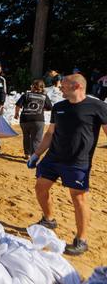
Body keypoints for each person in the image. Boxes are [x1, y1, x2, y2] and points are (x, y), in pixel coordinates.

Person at [28, 74, 107, 256]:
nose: (60, 88)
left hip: (77, 161)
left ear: (77, 86)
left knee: (78, 199)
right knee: (40, 187)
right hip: (53, 158)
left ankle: (82, 240)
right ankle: (49, 219)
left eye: (63, 85)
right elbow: (49, 134)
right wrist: (36, 154)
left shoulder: (97, 106)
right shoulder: (59, 107)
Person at [14, 79, 52, 159]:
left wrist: (16, 114)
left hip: (25, 119)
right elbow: (49, 107)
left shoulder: (26, 95)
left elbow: (18, 105)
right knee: (36, 139)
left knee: (26, 137)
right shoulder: (44, 96)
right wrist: (41, 108)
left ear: (33, 86)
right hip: (38, 120)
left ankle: (26, 155)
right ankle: (33, 158)